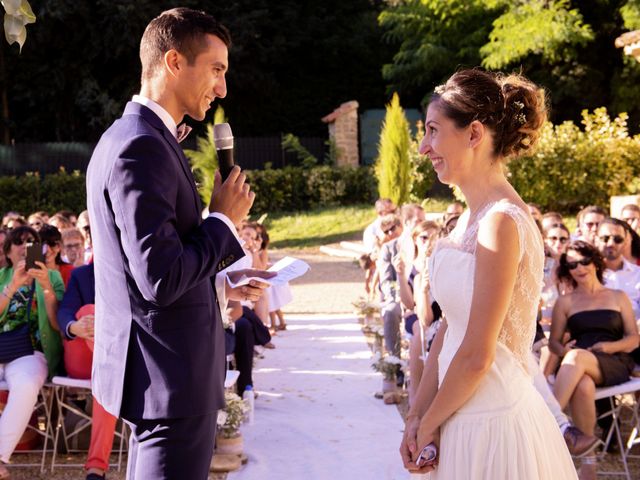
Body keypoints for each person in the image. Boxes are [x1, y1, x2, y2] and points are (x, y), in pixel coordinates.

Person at [85, 8, 272, 479]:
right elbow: (160, 278)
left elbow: (150, 272)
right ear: (173, 61)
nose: (222, 87)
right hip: (170, 381)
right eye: (216, 70)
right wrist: (223, 221)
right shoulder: (140, 146)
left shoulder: (136, 138)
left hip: (167, 377)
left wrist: (220, 290)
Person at [400, 69, 577, 478]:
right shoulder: (467, 220)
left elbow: (479, 355)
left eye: (432, 131)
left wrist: (429, 425)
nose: (425, 147)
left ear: (474, 134)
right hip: (460, 415)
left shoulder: (502, 223)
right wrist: (416, 415)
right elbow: (450, 325)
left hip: (495, 426)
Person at [550, 240, 638, 480]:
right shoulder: (565, 302)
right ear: (567, 270)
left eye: (585, 261)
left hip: (614, 360)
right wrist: (562, 348)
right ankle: (589, 462)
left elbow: (634, 339)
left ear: (595, 261)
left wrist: (611, 346)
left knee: (576, 357)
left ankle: (548, 422)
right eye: (572, 265)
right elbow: (553, 343)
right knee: (583, 385)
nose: (580, 268)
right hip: (576, 363)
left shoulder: (618, 296)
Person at [0, 226, 64, 479]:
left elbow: (58, 324)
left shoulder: (53, 277)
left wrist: (47, 287)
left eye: (32, 241)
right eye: (19, 241)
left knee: (26, 385)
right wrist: (13, 286)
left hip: (29, 352)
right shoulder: (2, 275)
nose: (25, 245)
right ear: (8, 251)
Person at [56, 262, 117, 480]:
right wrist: (74, 327)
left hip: (113, 363)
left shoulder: (130, 270)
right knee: (88, 311)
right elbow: (64, 310)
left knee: (107, 376)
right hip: (82, 356)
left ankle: (96, 470)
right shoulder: (81, 275)